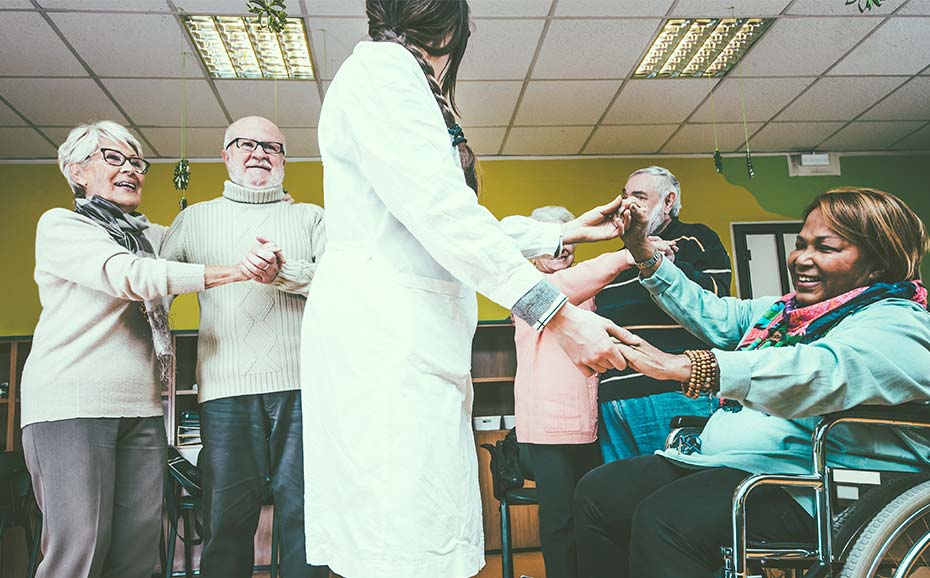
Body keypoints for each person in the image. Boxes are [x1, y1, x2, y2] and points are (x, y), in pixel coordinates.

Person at [300, 1, 643, 576]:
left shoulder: (394, 74)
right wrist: (554, 312)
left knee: (413, 531)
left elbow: (434, 217)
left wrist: (559, 230)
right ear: (450, 29)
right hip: (384, 341)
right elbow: (442, 215)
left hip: (403, 338)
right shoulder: (384, 73)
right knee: (400, 537)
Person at [574, 187, 930, 578]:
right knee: (600, 493)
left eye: (825, 248)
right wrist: (642, 249)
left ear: (877, 264)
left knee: (668, 519)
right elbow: (716, 314)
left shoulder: (900, 323)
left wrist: (691, 367)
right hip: (743, 466)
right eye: (801, 245)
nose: (803, 259)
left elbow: (817, 370)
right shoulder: (786, 314)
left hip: (817, 486)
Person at [20, 120, 254, 578]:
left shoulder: (152, 236)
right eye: (113, 158)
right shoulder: (63, 226)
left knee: (138, 551)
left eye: (136, 162)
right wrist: (235, 271)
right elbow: (133, 276)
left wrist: (267, 215)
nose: (130, 169)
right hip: (70, 404)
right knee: (80, 549)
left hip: (142, 408)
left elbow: (206, 241)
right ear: (77, 170)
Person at [159, 116, 329, 578]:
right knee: (227, 521)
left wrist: (284, 271)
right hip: (224, 388)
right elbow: (157, 285)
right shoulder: (193, 219)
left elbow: (343, 282)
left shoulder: (310, 217)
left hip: (302, 388)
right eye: (246, 144)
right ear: (226, 155)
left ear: (284, 160)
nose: (259, 153)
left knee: (307, 515)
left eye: (271, 147)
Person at [513, 206, 676, 578]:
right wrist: (627, 253)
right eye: (553, 240)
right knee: (560, 519)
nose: (562, 248)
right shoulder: (526, 287)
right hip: (547, 429)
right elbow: (565, 290)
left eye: (566, 239)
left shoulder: (590, 291)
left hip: (591, 423)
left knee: (594, 513)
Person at [595, 166, 732, 462]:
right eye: (625, 195)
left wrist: (669, 266)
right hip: (613, 397)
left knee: (678, 493)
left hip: (672, 391)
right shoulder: (617, 257)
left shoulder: (696, 239)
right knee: (622, 497)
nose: (627, 204)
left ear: (668, 202)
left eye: (639, 196)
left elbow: (718, 303)